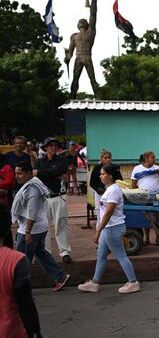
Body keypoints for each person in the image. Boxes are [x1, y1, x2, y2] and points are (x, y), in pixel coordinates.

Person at [78, 164, 140, 293]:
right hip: (109, 229)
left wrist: (98, 231)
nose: (100, 176)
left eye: (103, 174)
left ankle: (133, 282)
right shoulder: (110, 189)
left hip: (112, 228)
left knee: (121, 256)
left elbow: (108, 213)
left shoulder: (113, 191)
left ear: (110, 176)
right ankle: (95, 283)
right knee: (101, 256)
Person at [11, 162, 71, 291]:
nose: (17, 176)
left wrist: (27, 232)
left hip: (31, 229)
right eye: (15, 173)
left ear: (28, 173)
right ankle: (60, 277)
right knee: (41, 253)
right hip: (39, 227)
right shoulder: (34, 183)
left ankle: (22, 287)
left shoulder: (32, 189)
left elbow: (31, 213)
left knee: (23, 259)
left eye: (20, 173)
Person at [0, 203, 42, 338]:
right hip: (11, 330)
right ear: (8, 229)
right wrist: (35, 333)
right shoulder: (16, 260)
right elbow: (26, 304)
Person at [34, 137, 72, 263]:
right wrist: (51, 174)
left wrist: (40, 172)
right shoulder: (39, 161)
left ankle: (64, 251)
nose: (53, 148)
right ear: (45, 148)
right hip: (44, 198)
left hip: (58, 196)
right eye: (50, 145)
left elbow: (59, 171)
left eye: (55, 145)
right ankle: (46, 253)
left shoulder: (62, 160)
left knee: (61, 224)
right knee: (44, 226)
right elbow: (37, 177)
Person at [64, 0, 100, 96]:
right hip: (78, 57)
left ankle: (98, 95)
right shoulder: (74, 36)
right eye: (80, 21)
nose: (81, 21)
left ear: (86, 24)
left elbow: (93, 15)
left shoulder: (91, 31)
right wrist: (67, 58)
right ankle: (72, 96)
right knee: (75, 79)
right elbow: (70, 53)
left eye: (83, 21)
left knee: (92, 78)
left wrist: (94, 0)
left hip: (87, 56)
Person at [131, 151, 159, 246]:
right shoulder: (137, 169)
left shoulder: (157, 168)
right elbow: (134, 184)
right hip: (143, 196)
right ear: (146, 158)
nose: (155, 159)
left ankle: (158, 238)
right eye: (152, 157)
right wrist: (135, 195)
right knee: (146, 217)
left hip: (156, 195)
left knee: (156, 217)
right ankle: (147, 238)